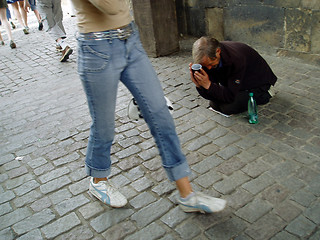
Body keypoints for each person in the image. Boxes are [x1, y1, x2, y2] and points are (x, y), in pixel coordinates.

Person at [70, 0, 226, 213]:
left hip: (130, 41)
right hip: (96, 48)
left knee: (161, 114)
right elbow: (111, 6)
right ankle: (98, 180)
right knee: (104, 126)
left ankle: (188, 196)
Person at [190, 36, 277, 115]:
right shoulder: (207, 60)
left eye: (210, 64)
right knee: (214, 104)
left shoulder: (236, 59)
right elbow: (212, 91)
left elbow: (229, 96)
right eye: (205, 66)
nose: (208, 68)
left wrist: (208, 85)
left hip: (258, 84)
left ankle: (265, 94)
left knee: (228, 108)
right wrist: (199, 85)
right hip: (235, 82)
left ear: (218, 52)